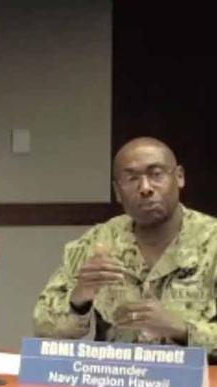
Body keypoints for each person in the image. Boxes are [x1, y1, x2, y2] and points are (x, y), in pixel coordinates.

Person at [33, 136, 217, 357]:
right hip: (117, 384)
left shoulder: (211, 240)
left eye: (156, 174)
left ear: (179, 177)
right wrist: (80, 297)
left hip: (200, 385)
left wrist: (181, 330)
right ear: (117, 192)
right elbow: (44, 329)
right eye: (131, 178)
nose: (145, 188)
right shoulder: (98, 241)